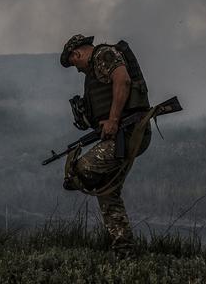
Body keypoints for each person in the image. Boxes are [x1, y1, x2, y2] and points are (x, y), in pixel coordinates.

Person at [60, 34, 152, 257]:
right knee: (107, 192)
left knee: (80, 169)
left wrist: (112, 119)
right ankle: (125, 251)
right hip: (120, 135)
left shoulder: (103, 54)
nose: (78, 70)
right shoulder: (95, 68)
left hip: (129, 132)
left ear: (77, 53)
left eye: (75, 64)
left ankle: (125, 251)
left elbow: (123, 80)